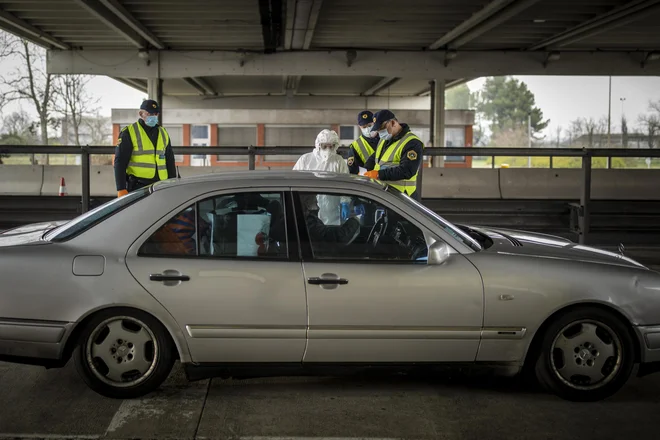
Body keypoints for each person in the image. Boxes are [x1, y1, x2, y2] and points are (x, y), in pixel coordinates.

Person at [114, 99, 176, 197]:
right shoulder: (129, 132)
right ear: (141, 114)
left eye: (155, 114)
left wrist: (173, 182)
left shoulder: (163, 133)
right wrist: (121, 188)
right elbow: (120, 162)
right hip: (138, 187)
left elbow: (170, 160)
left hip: (161, 185)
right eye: (149, 114)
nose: (153, 117)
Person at [363, 110, 424, 200]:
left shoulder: (412, 143)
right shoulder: (384, 140)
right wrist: (364, 171)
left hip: (403, 197)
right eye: (378, 130)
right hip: (386, 194)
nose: (380, 132)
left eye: (382, 128)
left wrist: (378, 174)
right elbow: (375, 158)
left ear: (393, 123)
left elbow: (407, 170)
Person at [293, 129, 348, 225]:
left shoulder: (338, 161)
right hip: (308, 206)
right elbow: (294, 181)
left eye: (331, 146)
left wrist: (345, 202)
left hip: (331, 206)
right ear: (318, 145)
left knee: (329, 233)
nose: (328, 149)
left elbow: (346, 182)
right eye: (324, 146)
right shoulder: (306, 159)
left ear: (335, 146)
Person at [347, 110, 379, 175]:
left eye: (370, 126)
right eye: (364, 127)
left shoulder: (386, 138)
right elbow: (353, 172)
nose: (367, 129)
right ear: (359, 127)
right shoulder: (355, 146)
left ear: (375, 123)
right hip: (369, 182)